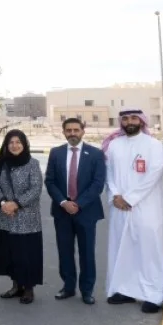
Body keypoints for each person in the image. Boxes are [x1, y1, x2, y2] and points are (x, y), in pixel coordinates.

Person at [104, 109, 163, 314]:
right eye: (125, 118)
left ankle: (153, 294)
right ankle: (125, 290)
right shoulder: (114, 145)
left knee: (149, 249)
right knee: (123, 248)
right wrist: (115, 195)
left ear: (141, 121)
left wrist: (130, 198)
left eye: (133, 118)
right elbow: (109, 173)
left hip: (146, 207)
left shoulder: (153, 145)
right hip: (119, 207)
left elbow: (154, 174)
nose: (129, 122)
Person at [44, 117, 106, 304]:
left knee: (87, 252)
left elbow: (98, 183)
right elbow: (50, 181)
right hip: (62, 211)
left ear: (82, 131)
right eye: (68, 130)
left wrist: (78, 203)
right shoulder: (56, 153)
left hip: (86, 211)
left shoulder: (95, 154)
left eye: (76, 130)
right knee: (65, 251)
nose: (72, 133)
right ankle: (68, 287)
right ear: (63, 132)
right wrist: (63, 202)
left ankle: (87, 290)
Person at [0, 129, 44, 305]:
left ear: (24, 144)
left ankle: (28, 289)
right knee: (10, 253)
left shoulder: (32, 163)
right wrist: (3, 203)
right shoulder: (1, 164)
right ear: (6, 145)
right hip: (7, 216)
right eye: (11, 142)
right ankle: (15, 286)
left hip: (27, 217)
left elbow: (36, 188)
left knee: (27, 254)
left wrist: (16, 204)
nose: (14, 146)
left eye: (18, 142)